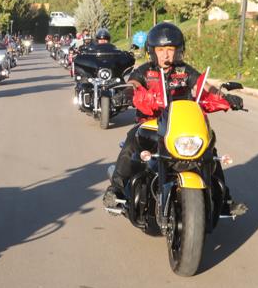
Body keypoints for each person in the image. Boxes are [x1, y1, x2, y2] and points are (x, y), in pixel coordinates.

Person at [103, 23, 245, 211]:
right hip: (151, 123)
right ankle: (116, 190)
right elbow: (133, 84)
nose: (166, 55)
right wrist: (126, 94)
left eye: (170, 49)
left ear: (178, 51)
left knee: (209, 150)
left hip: (181, 125)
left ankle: (224, 199)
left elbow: (203, 86)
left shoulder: (184, 71)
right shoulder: (145, 71)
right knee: (131, 142)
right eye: (160, 50)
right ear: (152, 51)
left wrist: (224, 97)